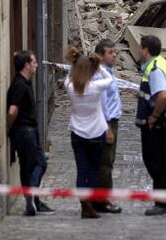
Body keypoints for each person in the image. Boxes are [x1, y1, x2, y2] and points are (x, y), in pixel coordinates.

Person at [135, 35, 166, 216]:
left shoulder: (155, 69)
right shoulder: (160, 62)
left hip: (157, 123)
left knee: (154, 161)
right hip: (163, 121)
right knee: (161, 159)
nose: (139, 51)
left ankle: (163, 201)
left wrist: (154, 116)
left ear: (146, 50)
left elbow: (162, 95)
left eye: (140, 48)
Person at [65, 46, 112, 219]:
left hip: (77, 133)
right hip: (96, 132)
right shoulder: (96, 87)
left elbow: (69, 77)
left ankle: (84, 203)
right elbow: (109, 79)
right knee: (93, 170)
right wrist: (97, 66)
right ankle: (90, 203)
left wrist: (74, 63)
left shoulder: (70, 87)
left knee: (81, 171)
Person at [7, 51, 55, 216]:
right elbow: (13, 110)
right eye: (33, 62)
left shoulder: (25, 82)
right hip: (25, 131)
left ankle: (33, 201)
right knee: (40, 163)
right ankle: (31, 195)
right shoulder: (20, 85)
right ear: (26, 65)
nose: (36, 65)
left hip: (25, 131)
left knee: (27, 168)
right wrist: (10, 127)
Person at [92, 39, 122, 214]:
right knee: (105, 163)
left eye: (115, 52)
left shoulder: (108, 71)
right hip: (106, 123)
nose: (114, 55)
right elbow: (100, 104)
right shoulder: (100, 75)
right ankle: (102, 201)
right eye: (110, 52)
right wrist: (107, 129)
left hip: (111, 122)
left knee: (107, 161)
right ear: (100, 55)